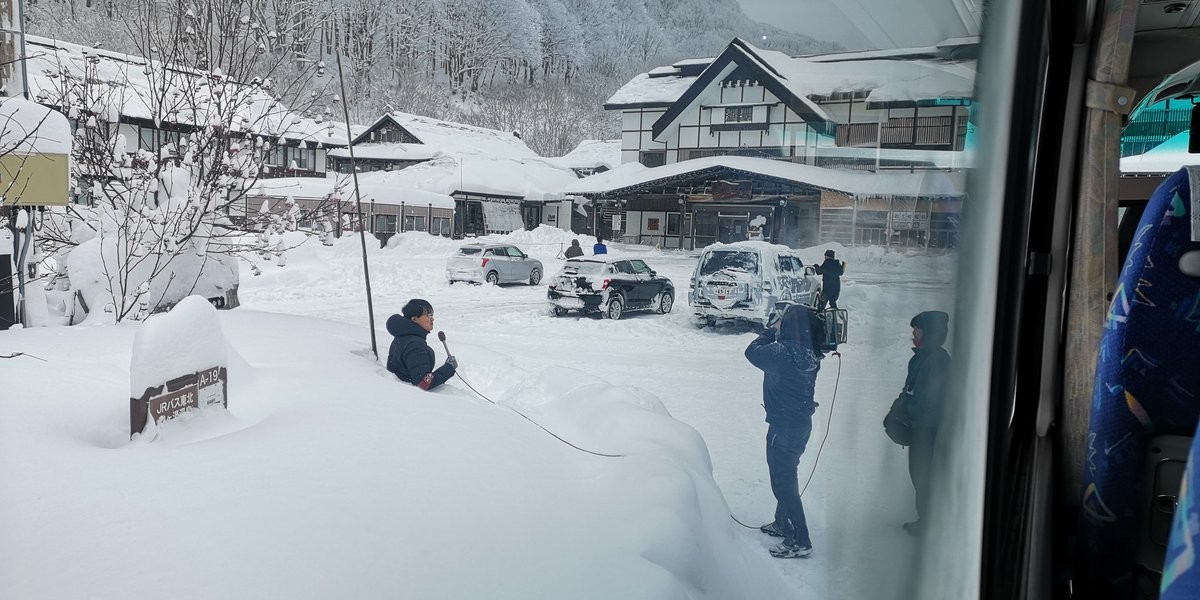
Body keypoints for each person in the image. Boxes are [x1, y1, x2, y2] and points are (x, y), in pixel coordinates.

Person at [744, 304, 824, 559]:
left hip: (783, 428)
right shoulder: (811, 354)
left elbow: (751, 352)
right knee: (787, 475)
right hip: (801, 425)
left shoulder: (781, 353)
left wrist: (771, 330)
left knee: (783, 482)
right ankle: (782, 522)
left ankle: (800, 539)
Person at [900, 310, 951, 535]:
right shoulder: (919, 358)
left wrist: (909, 417)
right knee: (918, 474)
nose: (913, 332)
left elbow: (930, 400)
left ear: (929, 333)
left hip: (929, 430)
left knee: (924, 475)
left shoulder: (938, 361)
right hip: (919, 428)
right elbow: (909, 391)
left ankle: (930, 524)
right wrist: (896, 412)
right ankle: (926, 519)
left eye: (917, 329)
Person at [386, 299, 457, 391]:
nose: (432, 319)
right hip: (410, 397)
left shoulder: (403, 337)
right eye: (428, 315)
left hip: (399, 392)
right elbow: (423, 384)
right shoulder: (415, 345)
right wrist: (449, 368)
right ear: (414, 319)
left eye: (432, 315)